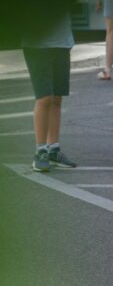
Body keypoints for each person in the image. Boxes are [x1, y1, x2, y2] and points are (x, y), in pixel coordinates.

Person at [23, 12, 77, 172]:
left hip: (62, 42)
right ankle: (40, 151)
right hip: (36, 44)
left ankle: (53, 149)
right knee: (44, 98)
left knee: (56, 99)